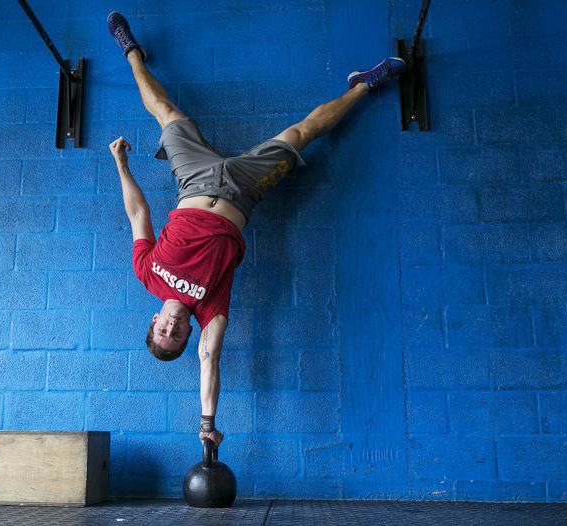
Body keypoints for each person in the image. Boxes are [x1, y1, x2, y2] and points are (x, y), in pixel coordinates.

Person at [106, 11, 405, 448]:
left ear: (153, 321)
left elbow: (138, 215)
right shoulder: (211, 309)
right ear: (188, 333)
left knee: (165, 112)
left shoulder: (147, 273)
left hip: (193, 180)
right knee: (300, 134)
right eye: (176, 336)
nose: (171, 329)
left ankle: (130, 50)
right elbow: (209, 360)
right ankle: (365, 84)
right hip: (244, 191)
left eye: (162, 331)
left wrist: (121, 165)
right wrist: (207, 424)